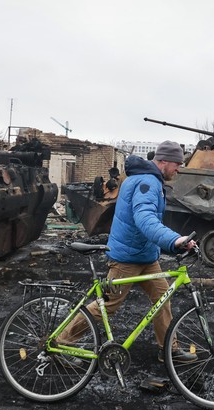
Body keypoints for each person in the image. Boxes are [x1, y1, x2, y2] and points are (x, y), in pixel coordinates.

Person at [57, 140, 197, 363]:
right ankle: (62, 344)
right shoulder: (148, 183)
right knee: (107, 307)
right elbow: (145, 220)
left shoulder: (145, 179)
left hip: (145, 256)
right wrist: (174, 240)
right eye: (177, 163)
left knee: (163, 298)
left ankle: (169, 350)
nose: (179, 168)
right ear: (163, 161)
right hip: (127, 259)